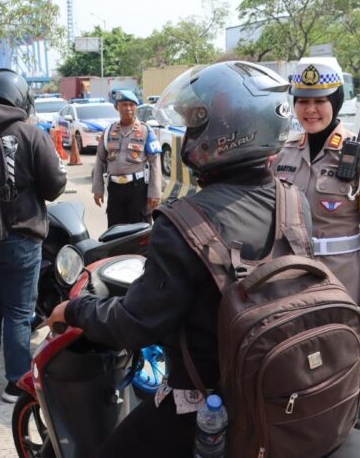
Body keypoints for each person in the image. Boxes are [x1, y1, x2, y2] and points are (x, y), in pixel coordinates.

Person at [48, 62, 296, 456]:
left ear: (229, 132)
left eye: (197, 123)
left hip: (206, 399)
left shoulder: (183, 222)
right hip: (279, 384)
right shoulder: (293, 202)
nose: (188, 134)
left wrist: (75, 310)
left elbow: (135, 325)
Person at [273, 60, 360, 429]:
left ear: (337, 100)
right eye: (303, 100)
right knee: (298, 390)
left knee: (344, 395)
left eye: (321, 100)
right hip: (292, 294)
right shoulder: (284, 154)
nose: (310, 109)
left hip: (344, 297)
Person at [0, 69, 67, 402]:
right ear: (21, 98)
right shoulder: (29, 133)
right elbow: (54, 187)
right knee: (19, 311)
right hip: (20, 237)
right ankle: (15, 383)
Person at [93, 89, 162, 226]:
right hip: (114, 190)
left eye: (132, 104)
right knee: (115, 232)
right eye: (124, 104)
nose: (128, 108)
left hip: (138, 189)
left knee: (139, 233)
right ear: (116, 107)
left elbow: (155, 163)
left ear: (136, 107)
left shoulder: (146, 131)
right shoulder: (108, 131)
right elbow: (100, 160)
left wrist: (155, 192)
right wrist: (98, 188)